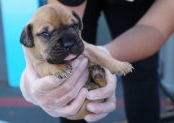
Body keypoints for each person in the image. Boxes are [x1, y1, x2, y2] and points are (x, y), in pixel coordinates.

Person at [20, 0, 174, 122]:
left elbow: (155, 28)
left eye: (74, 26)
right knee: (69, 88)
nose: (67, 43)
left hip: (135, 5)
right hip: (74, 5)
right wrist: (30, 82)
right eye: (47, 34)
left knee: (142, 69)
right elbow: (52, 17)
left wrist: (105, 56)